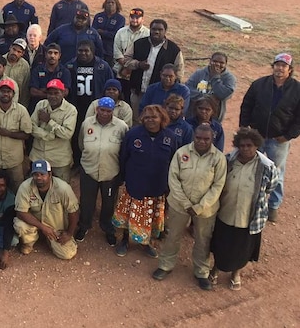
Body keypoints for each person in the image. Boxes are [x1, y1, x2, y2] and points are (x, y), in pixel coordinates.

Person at [152, 124, 226, 290]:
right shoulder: (181, 153)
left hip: (205, 209)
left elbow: (218, 186)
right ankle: (165, 265)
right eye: (198, 138)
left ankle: (201, 272)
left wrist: (200, 206)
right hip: (179, 205)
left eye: (206, 139)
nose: (201, 141)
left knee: (203, 240)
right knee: (173, 236)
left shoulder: (219, 159)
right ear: (194, 136)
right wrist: (186, 204)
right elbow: (173, 179)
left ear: (212, 139)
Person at [209, 127, 279, 291]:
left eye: (249, 145)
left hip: (249, 217)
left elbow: (270, 187)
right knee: (221, 244)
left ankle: (236, 274)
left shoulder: (267, 167)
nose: (245, 149)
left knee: (243, 248)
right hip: (226, 212)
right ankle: (215, 269)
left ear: (257, 146)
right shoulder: (228, 161)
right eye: (242, 145)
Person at [239, 52, 300, 223]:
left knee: (276, 172)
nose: (280, 68)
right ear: (273, 66)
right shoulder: (259, 84)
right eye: (277, 65)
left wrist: (288, 135)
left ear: (290, 69)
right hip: (256, 136)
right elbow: (247, 104)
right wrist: (245, 127)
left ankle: (273, 206)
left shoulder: (297, 89)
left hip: (278, 139)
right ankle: (249, 201)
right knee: (251, 168)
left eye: (284, 66)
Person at [113, 105, 176, 258]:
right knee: (130, 215)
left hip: (157, 186)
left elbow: (174, 162)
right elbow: (124, 157)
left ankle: (146, 243)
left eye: (154, 117)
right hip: (135, 184)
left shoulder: (170, 137)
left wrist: (169, 185)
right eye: (146, 117)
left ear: (162, 118)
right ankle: (125, 241)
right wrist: (122, 178)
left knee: (150, 217)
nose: (150, 120)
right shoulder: (133, 134)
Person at [77, 97, 129, 245]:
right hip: (89, 170)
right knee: (87, 202)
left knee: (108, 203)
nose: (105, 113)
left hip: (110, 172)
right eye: (102, 110)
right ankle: (84, 226)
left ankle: (107, 228)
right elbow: (81, 144)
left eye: (108, 111)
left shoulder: (121, 127)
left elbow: (124, 150)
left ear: (113, 111)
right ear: (97, 109)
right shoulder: (87, 123)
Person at [13, 159, 79, 260]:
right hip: (35, 224)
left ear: (50, 174)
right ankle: (29, 242)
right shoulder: (25, 187)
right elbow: (21, 212)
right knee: (19, 225)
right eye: (35, 174)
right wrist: (43, 227)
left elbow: (73, 211)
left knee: (68, 254)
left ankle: (49, 240)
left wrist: (69, 233)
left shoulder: (63, 188)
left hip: (55, 228)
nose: (39, 178)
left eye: (42, 174)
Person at [123, 19, 184, 120]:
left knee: (158, 120)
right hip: (138, 92)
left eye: (160, 29)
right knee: (137, 120)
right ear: (150, 29)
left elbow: (179, 71)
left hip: (160, 95)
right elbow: (125, 60)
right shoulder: (139, 44)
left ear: (165, 31)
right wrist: (138, 64)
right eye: (154, 29)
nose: (156, 32)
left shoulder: (174, 49)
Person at [29, 79, 77, 182]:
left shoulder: (70, 110)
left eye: (56, 93)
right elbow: (31, 127)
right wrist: (47, 135)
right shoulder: (41, 104)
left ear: (63, 93)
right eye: (50, 93)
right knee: (36, 187)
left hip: (59, 158)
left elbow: (67, 133)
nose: (52, 96)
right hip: (39, 154)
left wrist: (49, 121)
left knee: (62, 189)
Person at [185, 52, 236, 122]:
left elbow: (223, 94)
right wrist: (204, 96)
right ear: (210, 61)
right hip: (193, 115)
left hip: (214, 118)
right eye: (215, 61)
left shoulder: (229, 78)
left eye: (221, 63)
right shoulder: (199, 73)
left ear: (225, 64)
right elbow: (187, 89)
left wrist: (215, 77)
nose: (218, 64)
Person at [113, 7, 148, 101]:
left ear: (142, 19)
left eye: (137, 18)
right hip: (119, 73)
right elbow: (117, 53)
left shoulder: (147, 34)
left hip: (137, 74)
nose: (135, 20)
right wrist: (125, 68)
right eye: (132, 17)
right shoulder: (120, 32)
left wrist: (130, 69)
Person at [28, 43, 71, 112]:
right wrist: (55, 94)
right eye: (50, 53)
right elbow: (33, 91)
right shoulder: (37, 70)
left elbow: (65, 92)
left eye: (55, 53)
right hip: (39, 107)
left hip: (59, 109)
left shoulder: (65, 71)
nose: (52, 56)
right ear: (45, 54)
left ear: (59, 55)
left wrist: (44, 90)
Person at [92, 0, 124, 64]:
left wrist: (102, 32)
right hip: (97, 48)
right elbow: (93, 31)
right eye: (108, 2)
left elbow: (116, 34)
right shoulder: (98, 16)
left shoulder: (120, 19)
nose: (110, 4)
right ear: (104, 4)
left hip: (111, 50)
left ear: (117, 5)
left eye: (113, 3)